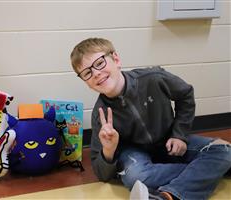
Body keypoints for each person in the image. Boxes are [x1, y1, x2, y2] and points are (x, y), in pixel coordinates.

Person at [70, 38, 231, 200]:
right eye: (87, 73)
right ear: (87, 82)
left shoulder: (153, 78)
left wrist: (179, 134)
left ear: (116, 59)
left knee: (224, 151)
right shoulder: (100, 115)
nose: (96, 73)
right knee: (135, 176)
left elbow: (186, 95)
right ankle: (201, 176)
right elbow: (101, 174)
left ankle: (175, 188)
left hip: (170, 142)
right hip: (136, 156)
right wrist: (109, 149)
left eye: (99, 63)